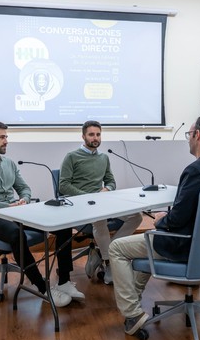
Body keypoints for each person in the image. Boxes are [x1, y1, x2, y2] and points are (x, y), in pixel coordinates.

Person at [108, 115, 200, 335]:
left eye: (189, 134)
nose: (188, 139)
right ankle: (132, 299)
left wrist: (162, 219)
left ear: (197, 135)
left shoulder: (196, 170)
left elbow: (178, 219)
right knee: (150, 236)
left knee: (116, 248)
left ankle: (132, 313)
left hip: (182, 245)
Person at [0, 120, 84, 307]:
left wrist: (24, 200)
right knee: (15, 234)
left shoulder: (9, 164)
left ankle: (64, 281)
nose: (6, 141)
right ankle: (43, 287)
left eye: (6, 137)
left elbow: (24, 188)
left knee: (63, 224)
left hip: (15, 212)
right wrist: (5, 205)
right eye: (2, 137)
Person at [59, 120, 143, 285]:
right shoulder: (71, 157)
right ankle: (110, 263)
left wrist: (107, 189)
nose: (95, 138)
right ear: (83, 136)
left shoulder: (104, 157)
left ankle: (108, 252)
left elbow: (111, 181)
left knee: (137, 216)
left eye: (98, 134)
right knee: (100, 219)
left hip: (102, 201)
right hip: (81, 204)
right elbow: (63, 185)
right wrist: (86, 196)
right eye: (91, 134)